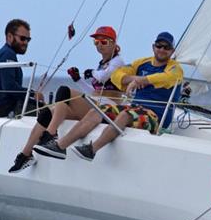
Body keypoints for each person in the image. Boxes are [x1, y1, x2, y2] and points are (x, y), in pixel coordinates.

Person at [34, 31, 183, 162]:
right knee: (96, 111)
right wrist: (132, 79)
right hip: (135, 108)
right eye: (159, 46)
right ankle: (59, 146)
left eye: (166, 47)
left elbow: (167, 78)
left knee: (125, 115)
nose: (162, 50)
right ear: (153, 47)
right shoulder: (142, 63)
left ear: (172, 51)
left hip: (155, 116)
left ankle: (92, 150)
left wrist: (141, 80)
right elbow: (117, 75)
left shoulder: (175, 68)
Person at [8, 26, 125, 172]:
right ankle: (26, 154)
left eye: (104, 42)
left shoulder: (118, 61)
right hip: (96, 102)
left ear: (114, 44)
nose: (99, 45)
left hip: (108, 106)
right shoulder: (102, 64)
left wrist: (92, 73)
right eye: (96, 42)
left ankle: (50, 134)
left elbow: (102, 77)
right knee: (51, 110)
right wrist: (77, 80)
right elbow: (93, 91)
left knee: (64, 91)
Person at [0, 19, 44, 118]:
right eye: (22, 38)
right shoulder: (8, 54)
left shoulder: (2, 53)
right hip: (3, 109)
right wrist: (32, 94)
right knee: (47, 112)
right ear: (9, 36)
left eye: (28, 40)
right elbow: (9, 87)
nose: (25, 42)